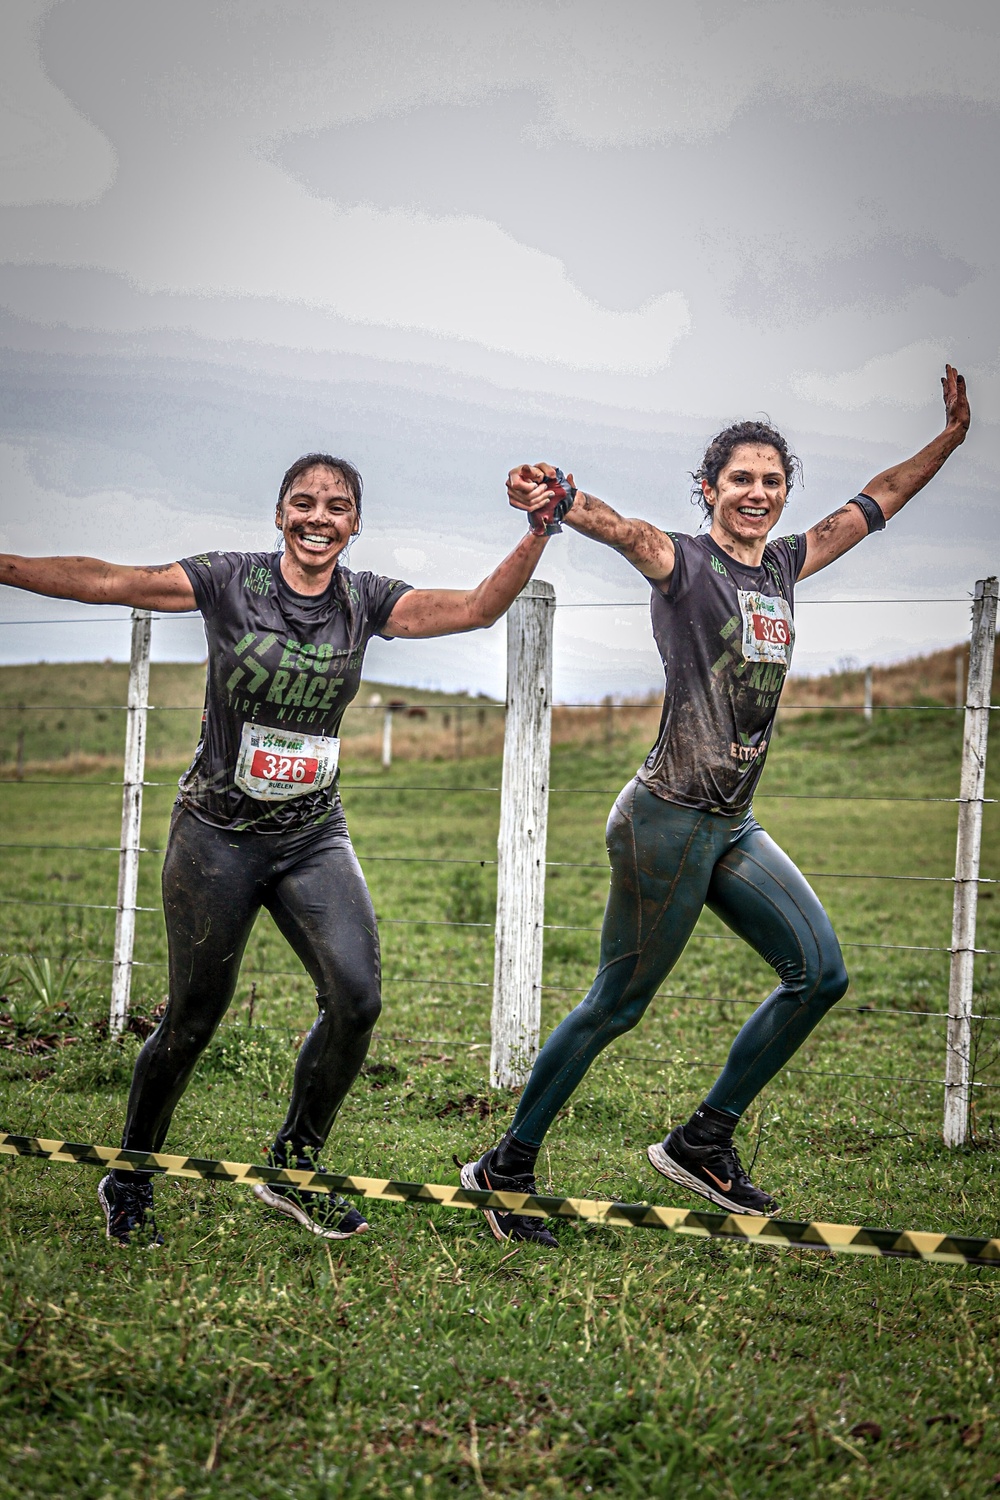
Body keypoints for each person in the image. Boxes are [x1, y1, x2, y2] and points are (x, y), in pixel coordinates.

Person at [462, 365, 971, 1246]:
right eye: (740, 479)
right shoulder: (684, 563)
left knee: (821, 974)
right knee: (617, 1005)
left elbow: (876, 499)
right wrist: (561, 498)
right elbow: (621, 529)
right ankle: (504, 1168)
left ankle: (702, 1141)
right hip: (666, 818)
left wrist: (951, 440)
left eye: (772, 480)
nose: (757, 493)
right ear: (709, 489)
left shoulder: (784, 563)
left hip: (731, 823)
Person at [1, 453, 553, 1244]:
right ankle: (129, 1176)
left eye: (337, 506)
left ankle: (293, 1168)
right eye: (304, 502)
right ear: (279, 514)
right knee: (192, 1019)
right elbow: (113, 580)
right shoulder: (232, 581)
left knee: (357, 999)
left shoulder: (365, 599)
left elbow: (475, 608)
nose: (318, 518)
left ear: (355, 523)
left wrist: (537, 531)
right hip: (216, 835)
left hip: (311, 834)